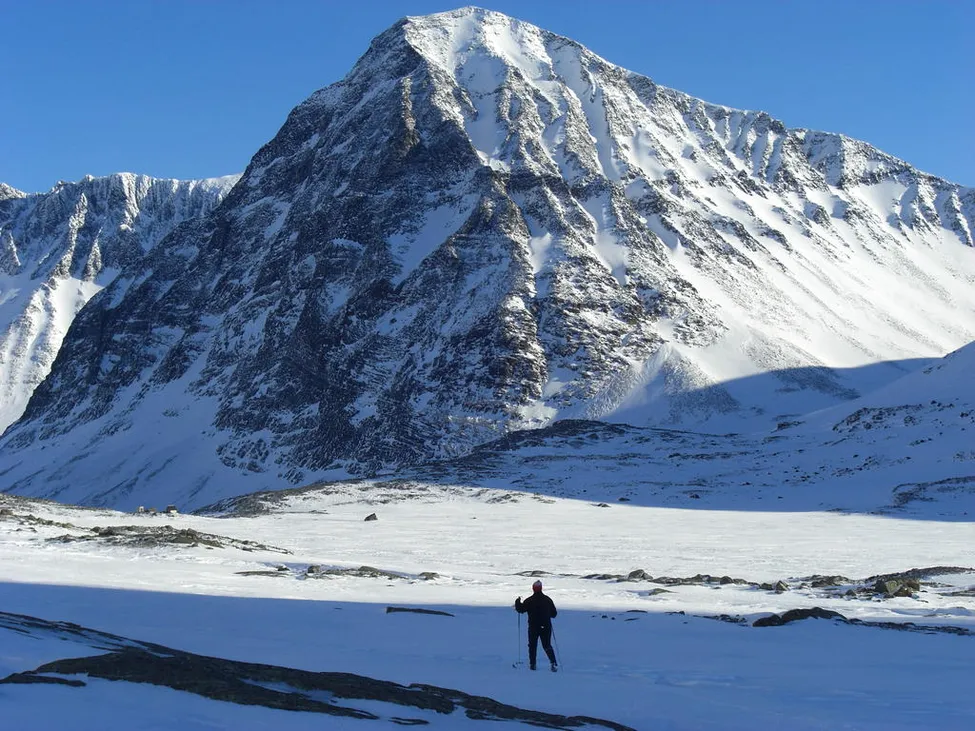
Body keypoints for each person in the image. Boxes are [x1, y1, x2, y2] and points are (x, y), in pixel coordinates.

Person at [514, 579, 558, 671]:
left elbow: (521, 610)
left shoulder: (529, 600)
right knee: (547, 645)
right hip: (546, 626)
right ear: (541, 588)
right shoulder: (548, 600)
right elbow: (554, 614)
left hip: (533, 627)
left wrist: (517, 602)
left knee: (532, 645)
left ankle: (532, 664)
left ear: (533, 589)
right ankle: (553, 663)